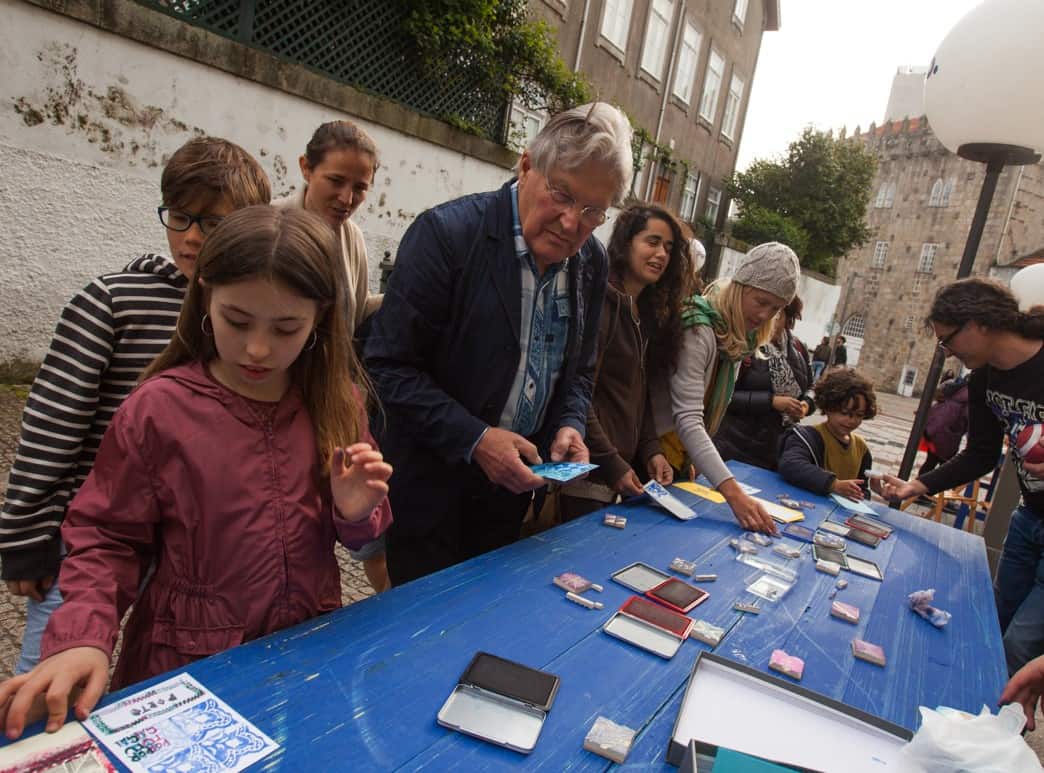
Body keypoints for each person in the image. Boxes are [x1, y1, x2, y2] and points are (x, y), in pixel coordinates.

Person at [0, 206, 393, 740]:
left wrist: (355, 511)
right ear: (204, 294)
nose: (257, 348)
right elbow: (106, 536)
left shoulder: (337, 403)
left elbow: (365, 526)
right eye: (237, 320)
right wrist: (82, 638)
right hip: (182, 665)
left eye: (285, 328)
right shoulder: (159, 409)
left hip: (305, 655)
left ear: (321, 318)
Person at [0, 137, 271, 676]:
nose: (192, 236)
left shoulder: (249, 316)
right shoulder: (109, 302)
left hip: (185, 555)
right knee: (51, 683)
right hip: (87, 545)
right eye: (181, 216)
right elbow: (51, 428)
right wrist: (26, 538)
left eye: (214, 223)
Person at [365, 102, 631, 585]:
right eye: (561, 194)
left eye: (593, 211)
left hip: (510, 496)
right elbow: (386, 368)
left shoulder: (591, 261)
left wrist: (569, 424)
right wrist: (477, 438)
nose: (572, 223)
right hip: (430, 495)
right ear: (526, 165)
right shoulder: (446, 236)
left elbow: (580, 371)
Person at [878, 278, 1044, 675]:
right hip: (1029, 519)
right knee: (993, 623)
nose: (946, 351)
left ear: (979, 324)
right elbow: (981, 453)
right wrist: (917, 485)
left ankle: (995, 732)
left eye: (947, 340)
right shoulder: (985, 377)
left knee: (1019, 646)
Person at [275, 119, 389, 592]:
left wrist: (408, 297)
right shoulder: (271, 226)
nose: (346, 198)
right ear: (306, 168)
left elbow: (354, 312)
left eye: (359, 188)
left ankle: (391, 613)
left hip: (333, 398)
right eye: (336, 182)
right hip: (278, 398)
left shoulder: (354, 239)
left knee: (370, 522)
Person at [558, 204, 693, 519]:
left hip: (616, 477)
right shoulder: (602, 303)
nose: (661, 254)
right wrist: (612, 462)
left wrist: (652, 451)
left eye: (669, 248)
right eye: (652, 241)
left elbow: (638, 395)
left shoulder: (643, 314)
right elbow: (579, 395)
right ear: (626, 243)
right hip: (585, 477)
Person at [670, 241, 801, 533]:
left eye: (776, 308)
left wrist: (694, 461)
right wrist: (733, 494)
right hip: (653, 453)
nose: (765, 315)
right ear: (740, 287)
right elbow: (688, 418)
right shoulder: (698, 328)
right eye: (760, 301)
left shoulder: (738, 340)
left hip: (678, 457)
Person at [714, 296, 815, 472]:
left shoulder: (798, 349)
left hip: (774, 449)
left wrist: (806, 405)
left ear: (787, 318)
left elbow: (813, 388)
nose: (770, 320)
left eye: (777, 315)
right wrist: (771, 401)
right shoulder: (743, 343)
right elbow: (724, 395)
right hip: (734, 444)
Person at [777, 368, 877, 500]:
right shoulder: (806, 437)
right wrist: (833, 484)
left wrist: (863, 495)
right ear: (828, 407)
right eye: (844, 413)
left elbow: (862, 488)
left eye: (858, 415)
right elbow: (791, 465)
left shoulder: (861, 447)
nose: (851, 420)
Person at [918, 372, 970, 477]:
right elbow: (942, 420)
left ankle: (922, 489)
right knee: (941, 469)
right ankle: (923, 490)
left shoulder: (953, 399)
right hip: (946, 439)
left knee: (932, 465)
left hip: (940, 437)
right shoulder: (961, 402)